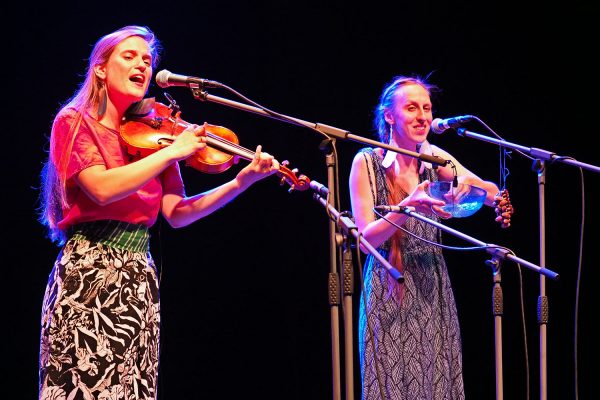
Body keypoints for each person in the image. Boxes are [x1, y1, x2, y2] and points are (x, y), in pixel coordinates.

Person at [37, 25, 279, 400]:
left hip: (138, 277)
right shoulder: (73, 121)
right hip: (90, 273)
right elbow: (101, 188)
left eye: (147, 60)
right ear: (100, 68)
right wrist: (172, 152)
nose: (142, 65)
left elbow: (177, 213)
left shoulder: (152, 131)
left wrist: (240, 182)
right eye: (129, 56)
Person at [349, 75, 513, 399]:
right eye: (411, 108)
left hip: (432, 289)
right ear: (389, 115)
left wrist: (487, 196)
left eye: (427, 107)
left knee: (438, 384)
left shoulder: (435, 159)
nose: (423, 116)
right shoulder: (366, 163)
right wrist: (406, 207)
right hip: (388, 290)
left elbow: (485, 189)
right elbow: (365, 240)